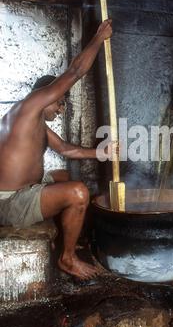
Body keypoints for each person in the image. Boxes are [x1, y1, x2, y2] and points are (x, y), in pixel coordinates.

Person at [0, 19, 114, 280]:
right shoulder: (30, 106)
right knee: (78, 192)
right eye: (59, 103)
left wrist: (101, 153)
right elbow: (74, 72)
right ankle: (68, 258)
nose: (61, 109)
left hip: (23, 190)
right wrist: (99, 37)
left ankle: (67, 237)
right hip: (8, 202)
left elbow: (64, 149)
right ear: (45, 96)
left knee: (63, 176)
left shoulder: (31, 119)